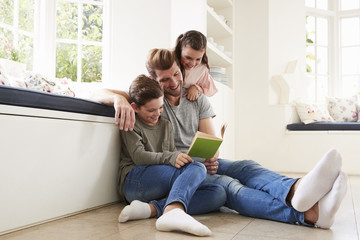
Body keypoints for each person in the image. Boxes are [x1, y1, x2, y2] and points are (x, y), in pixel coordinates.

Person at [90, 48, 347, 229]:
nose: (173, 82)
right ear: (153, 80)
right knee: (227, 187)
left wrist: (212, 157)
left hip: (193, 160)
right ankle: (308, 214)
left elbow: (211, 139)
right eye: (164, 79)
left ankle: (294, 189)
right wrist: (119, 99)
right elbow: (96, 90)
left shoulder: (195, 97)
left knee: (245, 166)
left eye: (176, 74)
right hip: (173, 166)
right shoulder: (152, 101)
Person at [116, 74, 226, 236]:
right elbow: (139, 157)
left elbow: (170, 154)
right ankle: (171, 212)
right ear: (135, 107)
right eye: (151, 110)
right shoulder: (131, 122)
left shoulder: (165, 125)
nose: (157, 113)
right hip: (135, 180)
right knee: (195, 168)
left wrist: (191, 162)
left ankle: (152, 209)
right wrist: (174, 159)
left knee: (218, 193)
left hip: (160, 181)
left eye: (160, 108)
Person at [174, 30, 218, 101]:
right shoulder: (169, 60)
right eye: (188, 58)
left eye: (198, 59)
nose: (193, 64)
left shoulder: (201, 68)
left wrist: (196, 87)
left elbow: (208, 90)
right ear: (180, 50)